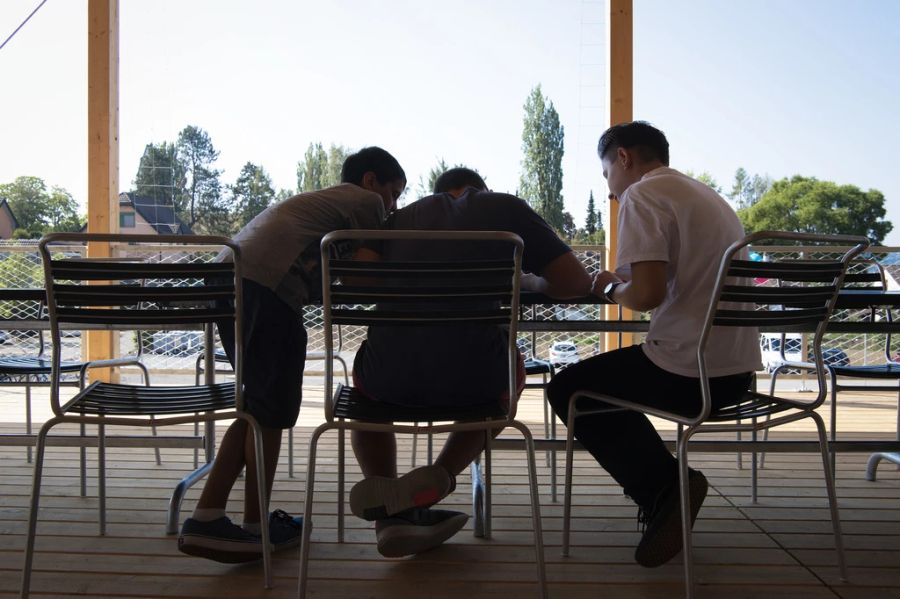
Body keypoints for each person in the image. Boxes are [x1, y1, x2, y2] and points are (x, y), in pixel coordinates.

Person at [546, 121, 761, 568]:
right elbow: (665, 278)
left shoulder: (643, 194)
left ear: (623, 157)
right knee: (602, 387)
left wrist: (606, 288)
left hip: (686, 372)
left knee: (569, 390)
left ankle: (666, 489)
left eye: (607, 174)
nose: (611, 187)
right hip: (736, 374)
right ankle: (666, 489)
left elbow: (645, 297)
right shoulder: (707, 197)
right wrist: (627, 281)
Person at [347, 167, 593, 557]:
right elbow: (576, 284)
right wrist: (531, 281)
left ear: (436, 194)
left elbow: (356, 283)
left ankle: (388, 517)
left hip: (385, 381)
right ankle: (442, 476)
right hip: (476, 381)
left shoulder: (396, 218)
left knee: (362, 395)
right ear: (482, 190)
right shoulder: (505, 210)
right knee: (513, 375)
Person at [178, 146, 407, 563]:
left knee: (257, 407)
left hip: (226, 281)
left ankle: (233, 519)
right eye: (394, 193)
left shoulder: (321, 206)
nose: (392, 206)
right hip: (266, 288)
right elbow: (362, 278)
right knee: (271, 410)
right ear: (372, 181)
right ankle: (228, 522)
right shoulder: (365, 201)